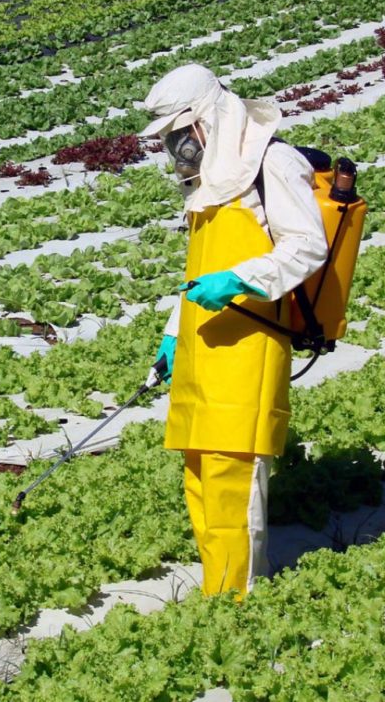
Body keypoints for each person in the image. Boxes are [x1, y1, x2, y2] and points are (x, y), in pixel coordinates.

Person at [140, 64, 328, 597]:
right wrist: (176, 333)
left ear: (208, 118)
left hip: (249, 344)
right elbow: (198, 273)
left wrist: (240, 281)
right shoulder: (209, 184)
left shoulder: (273, 162)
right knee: (199, 476)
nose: (177, 147)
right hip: (203, 347)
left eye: (181, 133)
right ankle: (216, 590)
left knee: (234, 476)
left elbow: (307, 246)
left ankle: (238, 597)